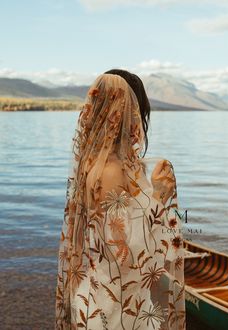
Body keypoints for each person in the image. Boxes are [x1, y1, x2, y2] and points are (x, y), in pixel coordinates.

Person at [55, 69, 186, 329]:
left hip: (108, 298)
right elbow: (127, 258)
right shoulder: (111, 171)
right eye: (136, 112)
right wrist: (160, 196)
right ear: (125, 111)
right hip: (114, 313)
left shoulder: (95, 163)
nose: (139, 122)